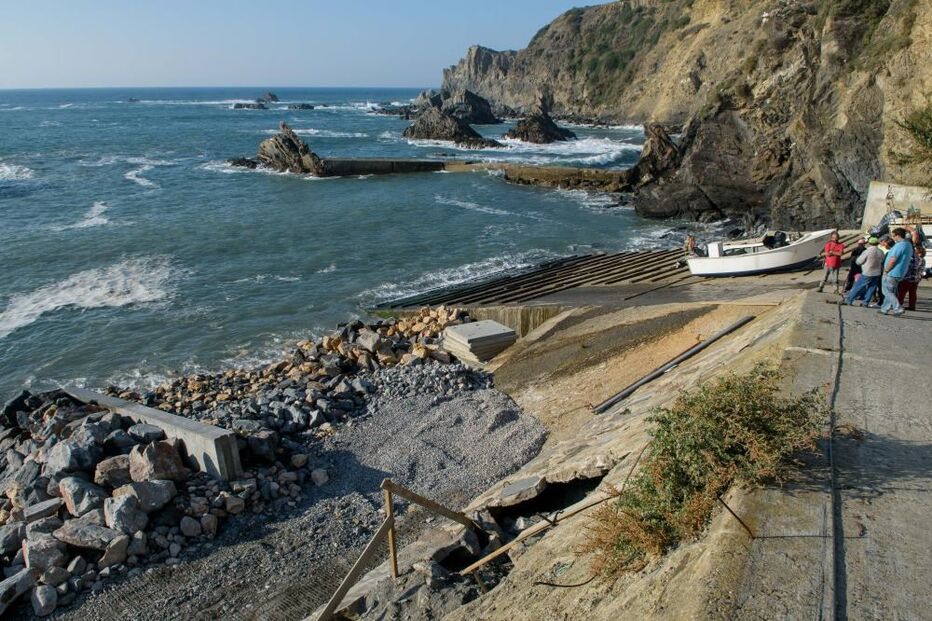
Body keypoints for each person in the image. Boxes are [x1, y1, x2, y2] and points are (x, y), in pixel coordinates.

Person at [879, 227, 914, 316]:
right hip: (901, 272)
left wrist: (886, 270)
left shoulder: (899, 245)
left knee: (886, 291)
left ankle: (898, 308)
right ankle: (884, 309)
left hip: (892, 272)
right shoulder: (908, 245)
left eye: (893, 236)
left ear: (898, 235)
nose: (893, 238)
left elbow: (893, 260)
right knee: (890, 291)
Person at [845, 237, 883, 306]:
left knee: (858, 286)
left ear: (869, 243)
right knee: (872, 287)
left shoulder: (867, 251)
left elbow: (859, 261)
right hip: (877, 272)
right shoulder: (881, 252)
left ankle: (849, 300)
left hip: (867, 272)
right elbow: (882, 261)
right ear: (877, 243)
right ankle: (866, 302)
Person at [897, 245, 926, 311]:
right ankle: (912, 306)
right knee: (912, 293)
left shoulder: (914, 259)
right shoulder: (923, 260)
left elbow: (911, 267)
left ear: (919, 252)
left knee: (902, 292)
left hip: (908, 278)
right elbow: (921, 269)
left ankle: (899, 305)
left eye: (916, 251)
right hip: (916, 279)